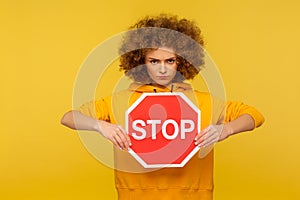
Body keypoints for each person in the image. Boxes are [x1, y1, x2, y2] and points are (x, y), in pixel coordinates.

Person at [61, 14, 264, 200]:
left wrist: (225, 129)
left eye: (170, 60)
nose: (162, 68)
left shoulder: (203, 101)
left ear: (181, 61)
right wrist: (100, 126)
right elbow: (69, 117)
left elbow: (253, 115)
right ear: (141, 62)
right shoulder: (120, 101)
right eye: (154, 60)